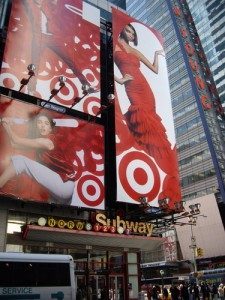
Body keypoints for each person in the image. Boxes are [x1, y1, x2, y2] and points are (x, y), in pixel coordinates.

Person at [114, 23, 180, 202]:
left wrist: (157, 56)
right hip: (132, 87)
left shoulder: (134, 51)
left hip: (145, 89)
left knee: (151, 122)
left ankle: (157, 161)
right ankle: (145, 153)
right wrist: (119, 80)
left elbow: (155, 69)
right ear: (122, 30)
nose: (131, 35)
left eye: (133, 34)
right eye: (128, 30)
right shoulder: (113, 47)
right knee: (140, 118)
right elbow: (100, 62)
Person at [0, 113, 76, 204]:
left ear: (50, 129)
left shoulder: (47, 141)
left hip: (64, 185)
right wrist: (9, 125)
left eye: (46, 124)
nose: (43, 125)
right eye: (39, 122)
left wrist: (5, 123)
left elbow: (16, 139)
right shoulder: (40, 143)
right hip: (60, 189)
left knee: (20, 160)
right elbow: (14, 144)